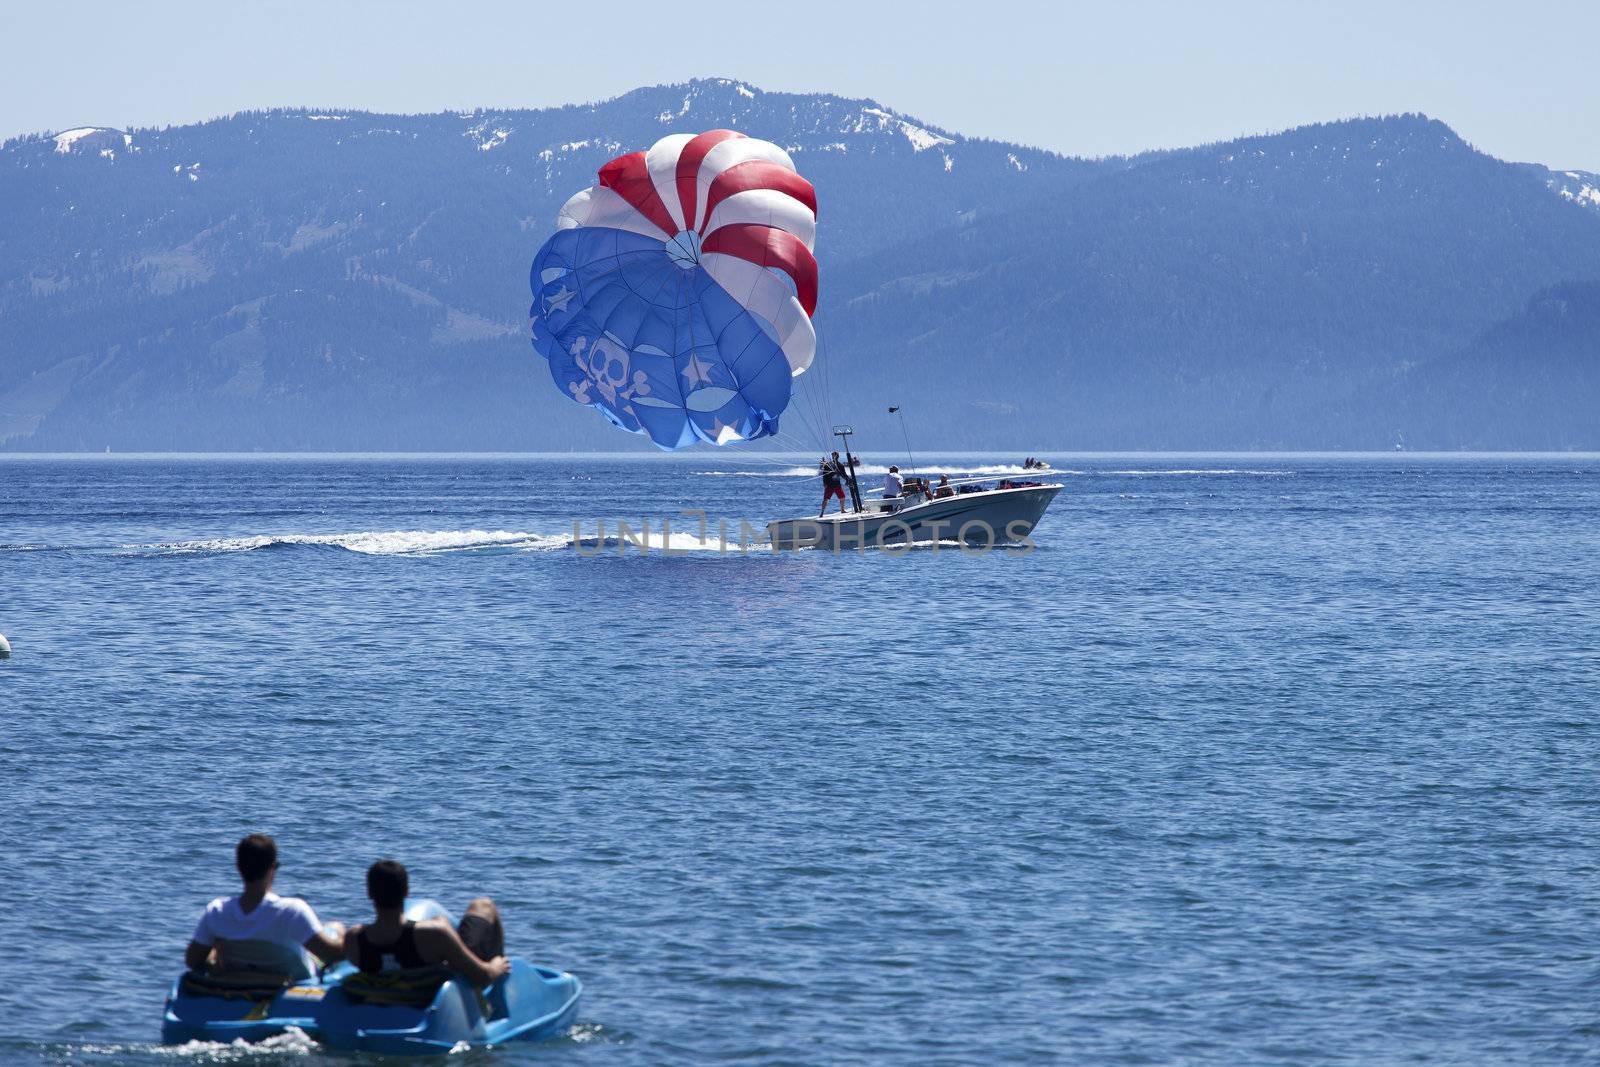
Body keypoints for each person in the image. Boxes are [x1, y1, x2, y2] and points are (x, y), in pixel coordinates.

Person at [185, 834, 345, 977]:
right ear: (273, 868)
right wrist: (356, 939)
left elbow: (192, 961)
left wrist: (213, 954)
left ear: (238, 867)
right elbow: (332, 955)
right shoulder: (292, 911)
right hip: (292, 980)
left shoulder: (217, 911)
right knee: (335, 927)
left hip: (239, 978)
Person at [345, 859, 510, 987]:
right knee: (483, 905)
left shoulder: (354, 939)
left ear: (369, 893)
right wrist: (496, 966)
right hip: (429, 998)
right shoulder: (433, 934)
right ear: (407, 892)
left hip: (386, 995)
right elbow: (482, 976)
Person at [818, 451, 849, 517]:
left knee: (842, 497)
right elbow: (824, 474)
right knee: (826, 499)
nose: (834, 457)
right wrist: (825, 483)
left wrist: (847, 480)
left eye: (835, 455)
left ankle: (842, 510)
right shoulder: (828, 464)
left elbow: (843, 474)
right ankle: (822, 513)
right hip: (830, 485)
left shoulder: (840, 465)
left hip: (837, 485)